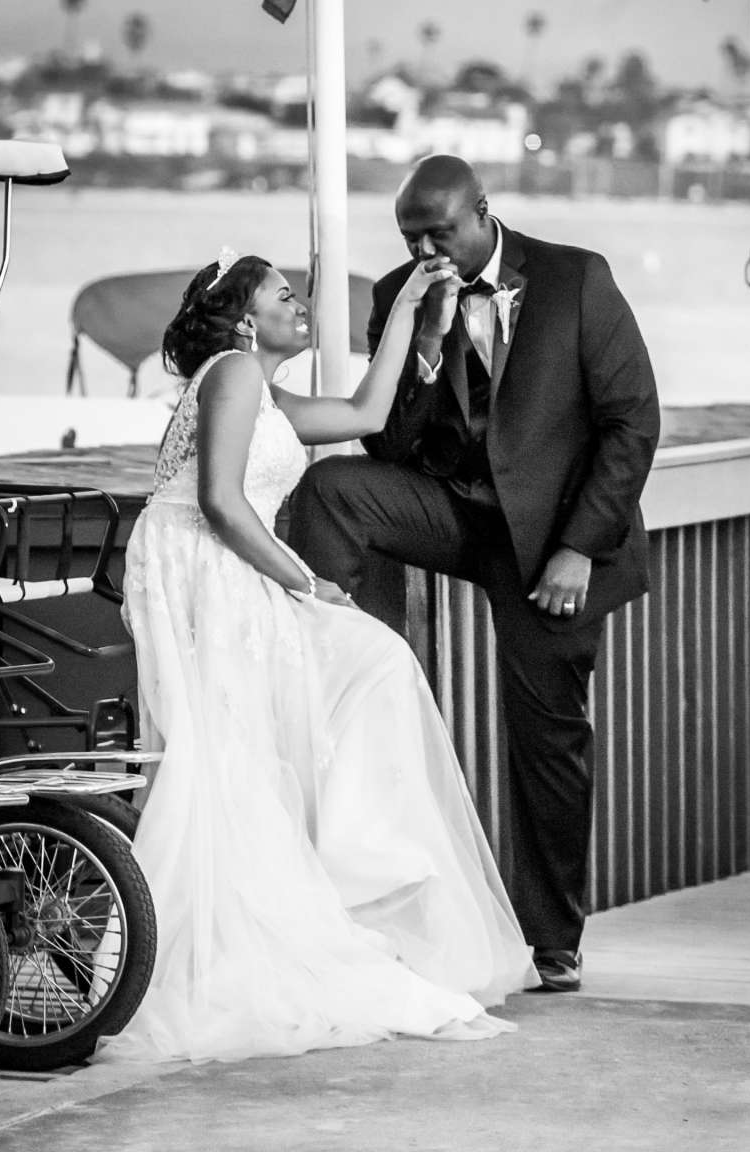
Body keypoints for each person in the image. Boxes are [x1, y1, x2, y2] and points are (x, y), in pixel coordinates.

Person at [108, 249, 534, 1065]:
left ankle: (352, 863)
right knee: (234, 748)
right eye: (283, 294)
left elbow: (371, 413)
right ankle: (300, 897)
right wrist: (306, 584)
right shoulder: (232, 373)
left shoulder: (265, 394)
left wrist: (411, 308)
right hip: (201, 567)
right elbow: (221, 503)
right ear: (243, 319)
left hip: (237, 566)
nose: (300, 304)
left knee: (373, 666)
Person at [289, 156, 660, 994]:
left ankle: (552, 939)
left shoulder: (573, 279)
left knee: (549, 736)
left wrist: (578, 548)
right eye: (411, 236)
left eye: (440, 231)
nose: (428, 248)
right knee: (335, 489)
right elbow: (387, 447)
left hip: (552, 543)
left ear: (482, 213)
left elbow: (633, 422)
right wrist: (422, 344)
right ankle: (345, 659)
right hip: (459, 514)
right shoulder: (400, 295)